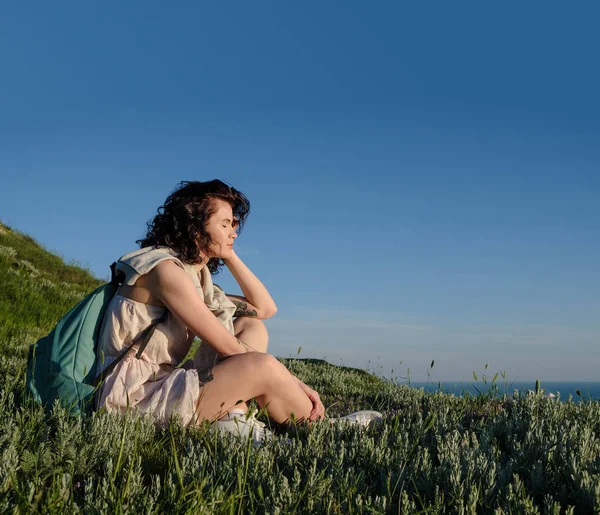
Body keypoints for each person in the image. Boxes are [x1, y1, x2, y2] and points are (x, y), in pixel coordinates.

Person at [95, 180, 326, 439]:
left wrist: (229, 254)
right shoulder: (165, 271)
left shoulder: (194, 278)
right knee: (263, 367)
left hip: (161, 381)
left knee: (250, 326)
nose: (234, 233)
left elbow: (264, 308)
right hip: (133, 397)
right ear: (195, 228)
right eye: (225, 224)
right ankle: (323, 429)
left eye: (234, 225)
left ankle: (233, 417)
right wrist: (293, 380)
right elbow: (229, 348)